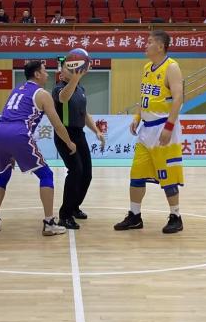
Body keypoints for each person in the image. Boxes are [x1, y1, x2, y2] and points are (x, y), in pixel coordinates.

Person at [0, 60, 76, 237]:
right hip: (18, 133)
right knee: (46, 175)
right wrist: (69, 142)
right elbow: (57, 124)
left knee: (2, 175)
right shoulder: (42, 94)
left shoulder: (16, 90)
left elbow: (9, 115)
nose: (47, 74)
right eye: (45, 71)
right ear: (37, 74)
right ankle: (49, 223)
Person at [114, 31, 185, 234]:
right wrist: (137, 117)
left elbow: (178, 98)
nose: (145, 45)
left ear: (160, 46)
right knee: (136, 173)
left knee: (168, 176)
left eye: (149, 42)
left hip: (163, 127)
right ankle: (135, 216)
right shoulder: (147, 68)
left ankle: (176, 216)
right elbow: (144, 96)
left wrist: (169, 127)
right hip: (146, 129)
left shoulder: (171, 67)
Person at [53, 62, 105, 229]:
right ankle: (64, 216)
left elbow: (85, 113)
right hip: (64, 134)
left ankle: (74, 206)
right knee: (75, 171)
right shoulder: (58, 88)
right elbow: (64, 98)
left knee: (86, 174)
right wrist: (76, 77)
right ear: (61, 73)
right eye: (68, 68)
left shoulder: (80, 89)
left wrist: (97, 131)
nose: (73, 71)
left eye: (74, 68)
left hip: (79, 134)